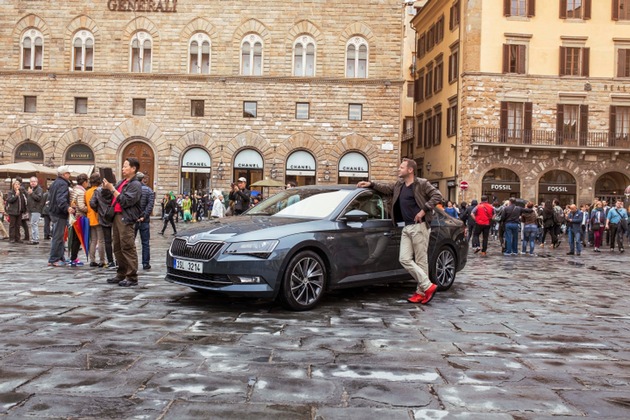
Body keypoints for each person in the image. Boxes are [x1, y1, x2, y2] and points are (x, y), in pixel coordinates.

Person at [357, 158, 442, 305]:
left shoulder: (421, 183)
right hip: (406, 226)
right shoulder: (399, 185)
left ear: (410, 170)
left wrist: (423, 211)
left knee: (421, 261)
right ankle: (427, 286)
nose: (399, 169)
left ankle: (421, 292)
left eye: (401, 167)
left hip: (419, 226)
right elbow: (387, 189)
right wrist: (371, 184)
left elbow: (437, 196)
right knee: (404, 259)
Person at [102, 157, 143, 287]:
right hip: (116, 216)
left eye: (126, 166)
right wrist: (106, 188)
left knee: (127, 246)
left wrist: (112, 189)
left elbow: (126, 201)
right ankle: (121, 273)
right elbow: (109, 197)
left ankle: (131, 276)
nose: (123, 168)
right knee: (117, 247)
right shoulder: (121, 182)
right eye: (123, 166)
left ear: (133, 168)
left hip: (126, 217)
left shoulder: (135, 185)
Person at [47, 166, 74, 266]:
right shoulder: (63, 184)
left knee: (60, 236)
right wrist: (67, 207)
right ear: (63, 174)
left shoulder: (55, 183)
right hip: (59, 213)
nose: (69, 175)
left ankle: (60, 257)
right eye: (68, 173)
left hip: (54, 212)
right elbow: (61, 199)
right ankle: (54, 259)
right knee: (58, 237)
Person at [89, 180, 116, 268]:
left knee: (107, 241)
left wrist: (99, 210)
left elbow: (92, 203)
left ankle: (110, 261)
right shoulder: (114, 190)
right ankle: (119, 260)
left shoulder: (97, 191)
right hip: (115, 216)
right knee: (117, 240)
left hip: (103, 217)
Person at [134, 172, 155, 270]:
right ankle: (146, 263)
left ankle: (131, 262)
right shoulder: (149, 190)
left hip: (133, 219)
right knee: (145, 243)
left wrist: (135, 216)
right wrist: (144, 216)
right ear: (143, 179)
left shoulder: (131, 189)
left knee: (130, 242)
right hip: (144, 220)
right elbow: (150, 206)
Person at [68, 173, 89, 267]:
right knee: (77, 239)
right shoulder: (81, 192)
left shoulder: (74, 189)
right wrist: (89, 209)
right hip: (79, 217)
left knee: (74, 238)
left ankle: (73, 257)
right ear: (84, 182)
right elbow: (81, 206)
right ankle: (74, 258)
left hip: (74, 216)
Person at [85, 173, 106, 268]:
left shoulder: (87, 191)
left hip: (90, 217)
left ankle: (92, 260)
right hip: (98, 217)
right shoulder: (99, 190)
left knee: (93, 240)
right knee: (101, 240)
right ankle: (102, 260)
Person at [26, 176, 44, 245]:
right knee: (32, 224)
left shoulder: (39, 189)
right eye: (31, 181)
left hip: (36, 209)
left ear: (37, 182)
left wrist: (31, 193)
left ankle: (35, 239)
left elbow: (38, 198)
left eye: (34, 181)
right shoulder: (32, 189)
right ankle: (34, 238)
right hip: (31, 209)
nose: (32, 183)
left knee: (34, 224)